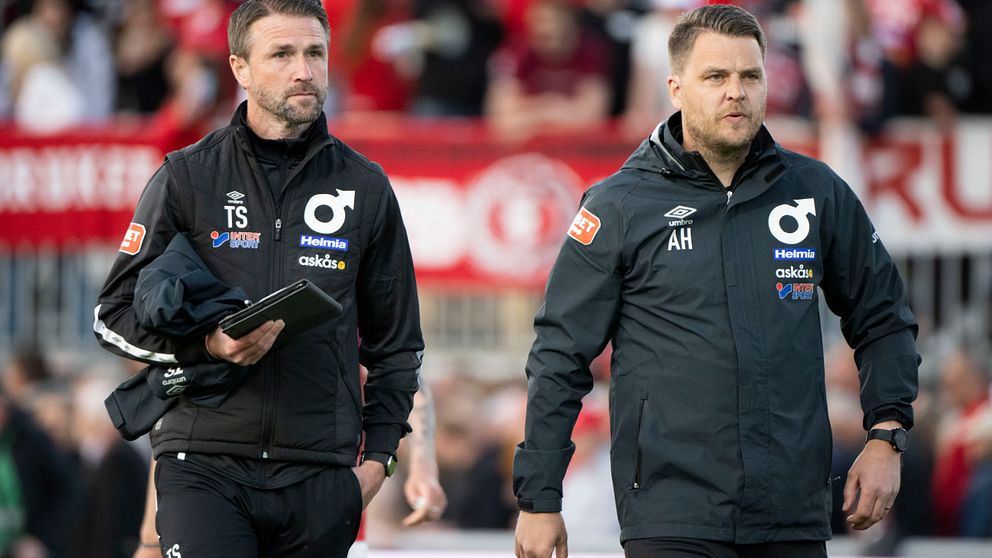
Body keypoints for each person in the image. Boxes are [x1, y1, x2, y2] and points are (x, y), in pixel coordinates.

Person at [512, 5, 920, 558]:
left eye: (750, 76)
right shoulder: (618, 206)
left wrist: (886, 434)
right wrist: (539, 499)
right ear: (676, 88)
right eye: (716, 77)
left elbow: (884, 318)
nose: (737, 91)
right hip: (670, 515)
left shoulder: (816, 192)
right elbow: (559, 355)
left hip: (792, 514)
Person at [93, 1, 424, 557]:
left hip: (321, 474)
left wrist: (377, 464)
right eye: (282, 54)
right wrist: (207, 345)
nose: (304, 70)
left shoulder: (365, 187)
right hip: (203, 464)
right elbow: (112, 317)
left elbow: (398, 346)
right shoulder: (185, 176)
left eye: (315, 52)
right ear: (240, 68)